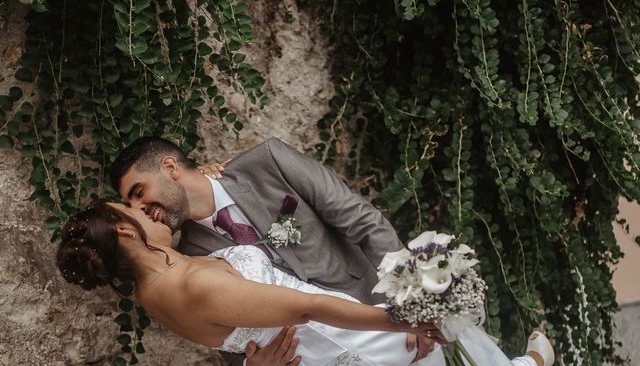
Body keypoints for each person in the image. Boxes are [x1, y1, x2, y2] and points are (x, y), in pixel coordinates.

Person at [56, 200, 555, 366]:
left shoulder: (155, 295)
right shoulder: (187, 285)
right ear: (124, 230)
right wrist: (401, 316)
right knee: (435, 332)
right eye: (131, 209)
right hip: (344, 340)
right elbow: (302, 309)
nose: (145, 210)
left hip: (324, 350)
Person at [108, 136, 432, 365]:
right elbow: (228, 333)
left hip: (383, 307)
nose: (140, 208)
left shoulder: (268, 162)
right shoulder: (192, 257)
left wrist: (412, 304)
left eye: (139, 192)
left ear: (170, 167)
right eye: (130, 203)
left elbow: (363, 222)